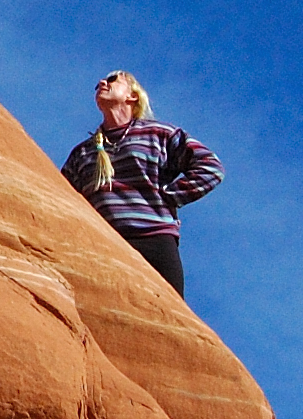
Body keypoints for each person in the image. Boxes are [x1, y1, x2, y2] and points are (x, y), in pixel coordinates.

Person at [61, 70, 221, 301]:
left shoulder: (158, 134)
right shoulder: (83, 152)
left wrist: (169, 197)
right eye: (99, 83)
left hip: (156, 241)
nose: (102, 82)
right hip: (106, 244)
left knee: (167, 315)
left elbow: (210, 167)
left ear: (132, 96)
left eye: (113, 79)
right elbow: (64, 198)